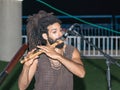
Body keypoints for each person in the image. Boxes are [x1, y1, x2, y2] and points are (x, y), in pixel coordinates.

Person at [18, 10, 85, 90]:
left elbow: (81, 73)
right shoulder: (38, 55)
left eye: (60, 30)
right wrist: (26, 67)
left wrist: (58, 56)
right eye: (54, 32)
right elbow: (22, 87)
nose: (60, 34)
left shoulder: (71, 51)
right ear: (45, 36)